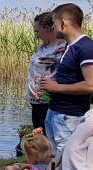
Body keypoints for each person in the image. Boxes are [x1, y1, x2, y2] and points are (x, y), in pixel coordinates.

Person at [37, 3, 93, 155]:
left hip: (70, 116)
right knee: (57, 159)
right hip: (56, 112)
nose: (53, 28)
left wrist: (56, 87)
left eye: (54, 23)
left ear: (63, 23)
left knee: (69, 159)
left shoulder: (86, 47)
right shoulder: (70, 46)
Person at [22, 12, 66, 152]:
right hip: (36, 99)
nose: (36, 35)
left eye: (38, 31)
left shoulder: (62, 48)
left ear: (48, 28)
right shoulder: (42, 47)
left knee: (47, 137)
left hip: (48, 99)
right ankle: (40, 166)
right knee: (39, 133)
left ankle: (47, 167)